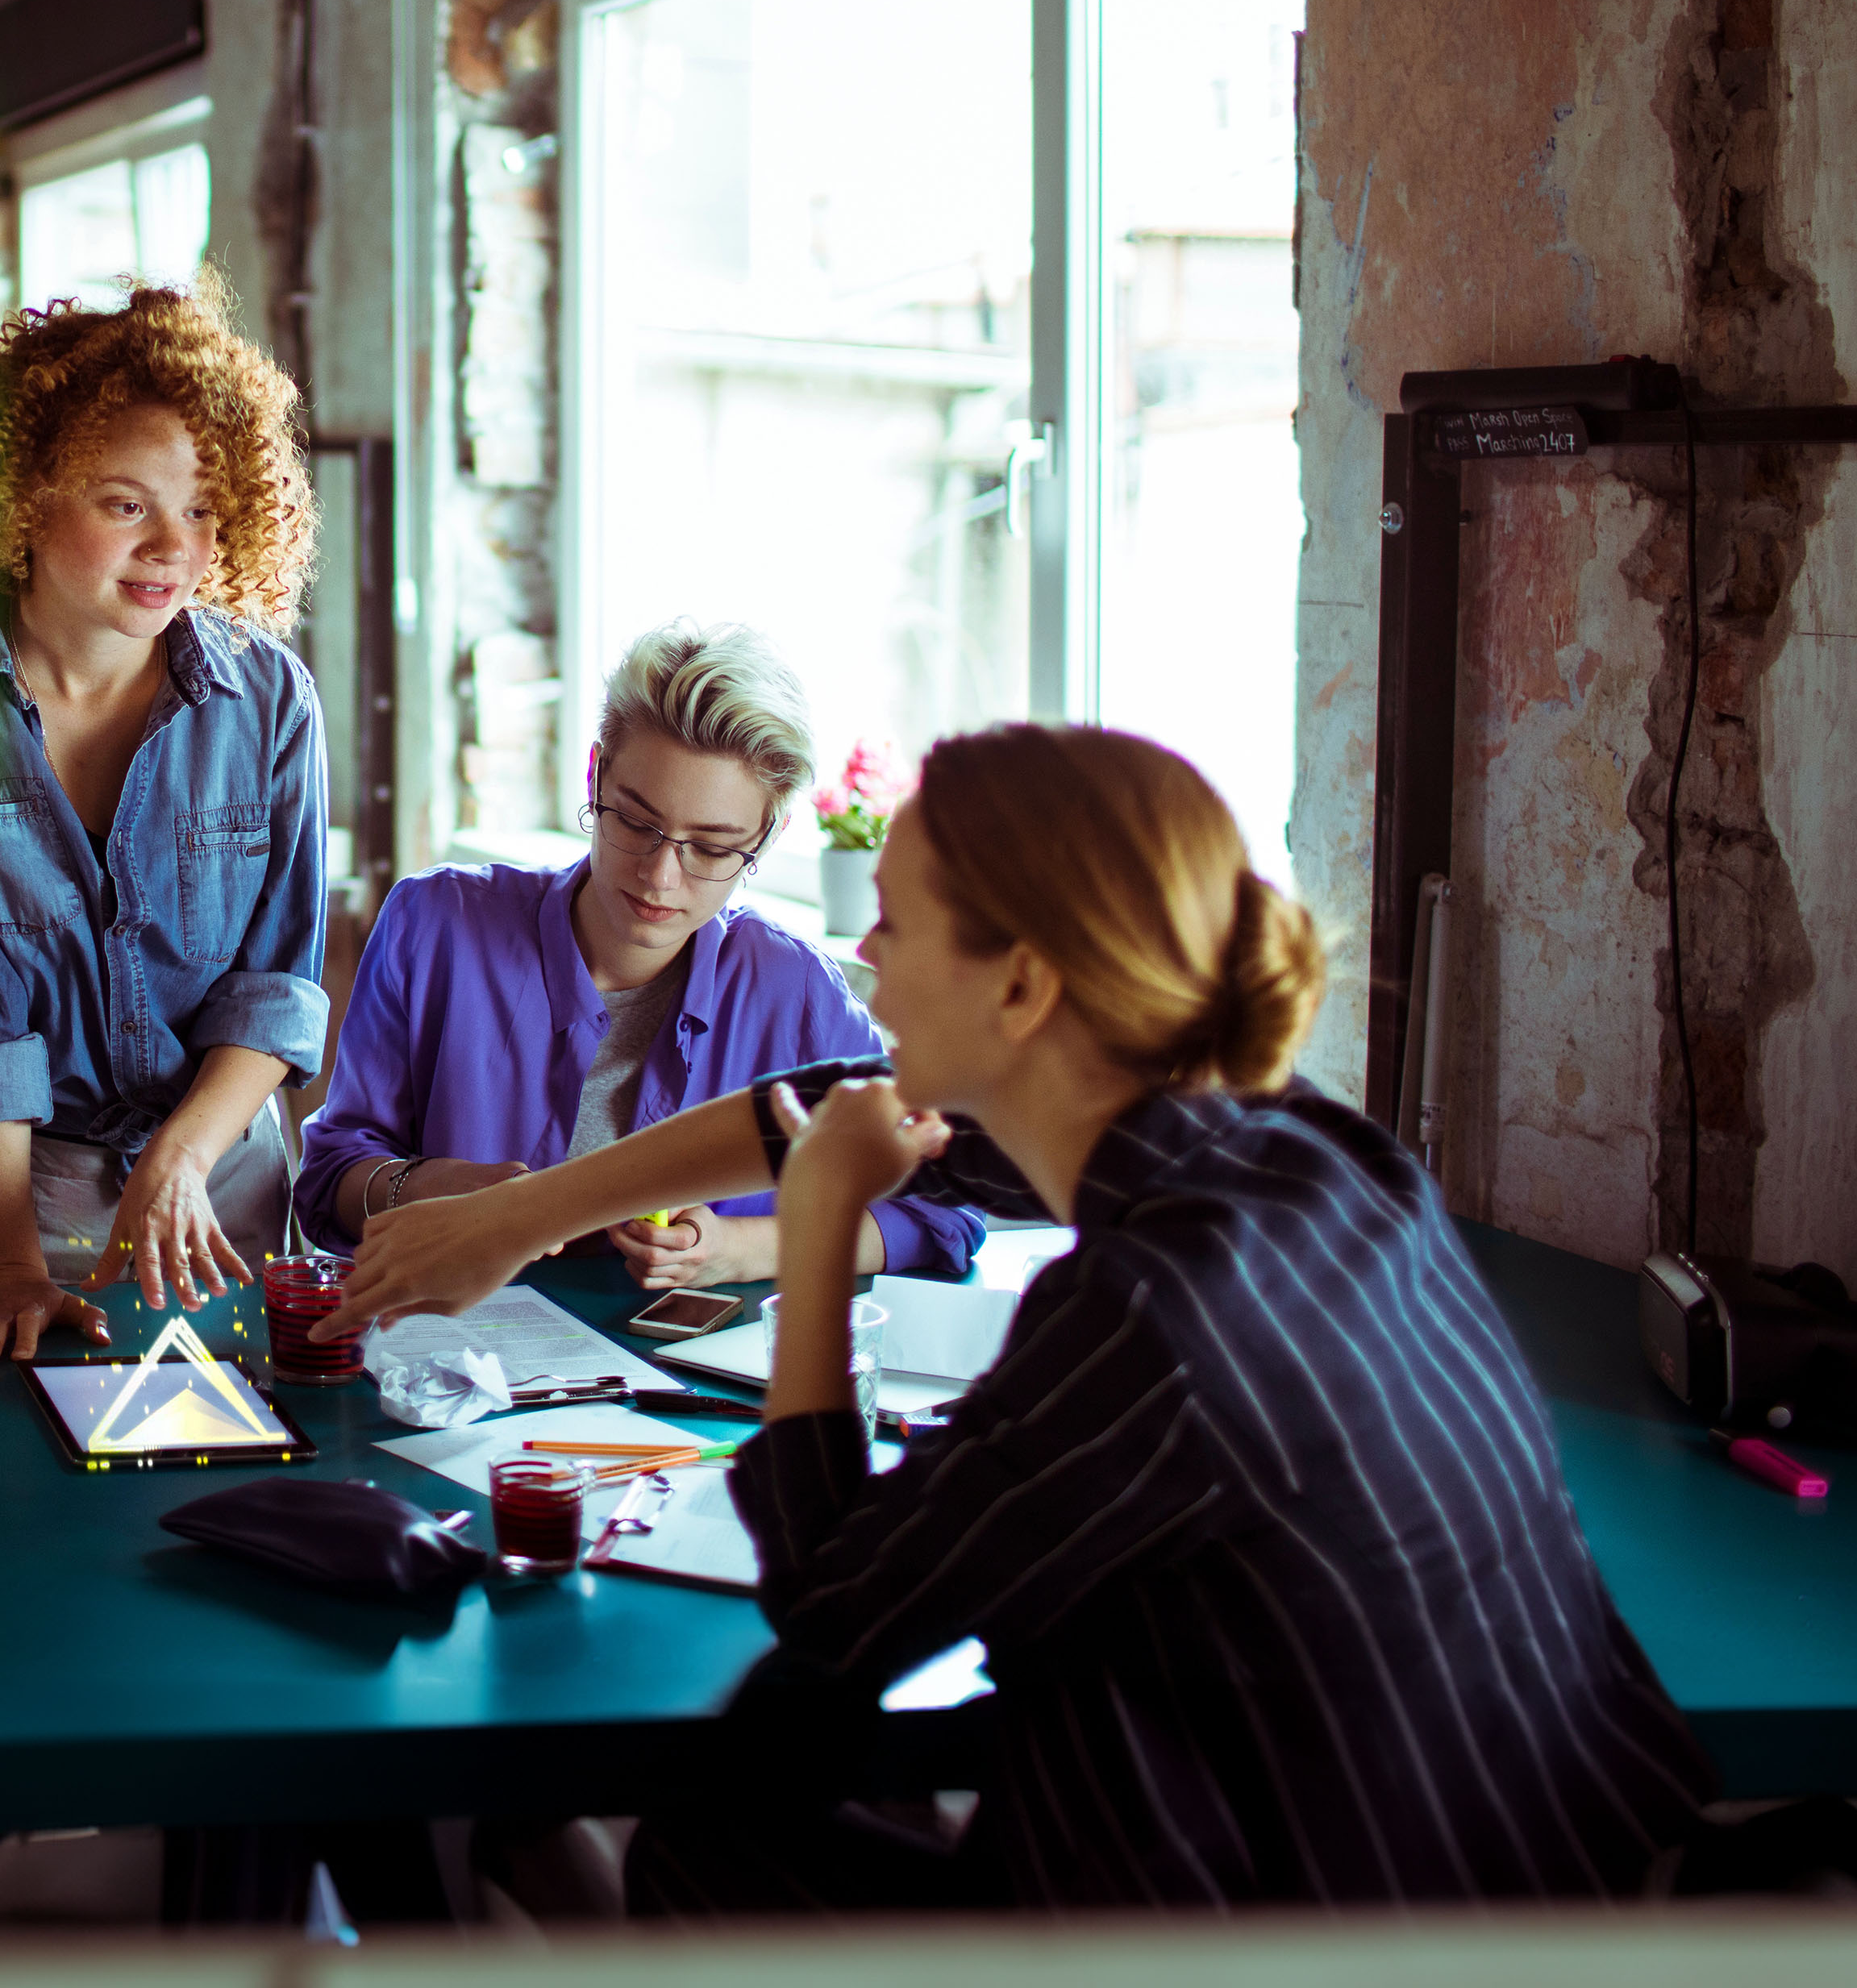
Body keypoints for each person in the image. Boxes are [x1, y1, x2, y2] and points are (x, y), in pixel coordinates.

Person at [321, 724, 1711, 1907]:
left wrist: (810, 1244)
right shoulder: (1313, 1155)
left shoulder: (1154, 1311)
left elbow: (837, 1605)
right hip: (1571, 1863)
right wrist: (527, 1213)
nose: (860, 946)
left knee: (718, 1843)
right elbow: (810, 1104)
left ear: (1027, 987)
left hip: (1322, 1931)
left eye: (902, 923)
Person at [0, 279, 326, 1362]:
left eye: (205, 509)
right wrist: (10, 1256)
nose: (175, 547)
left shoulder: (273, 700)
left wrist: (181, 1161)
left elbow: (275, 984)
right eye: (126, 504)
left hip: (214, 1185)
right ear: (21, 494)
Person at [294, 622, 980, 1285]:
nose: (660, 876)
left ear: (766, 837)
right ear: (596, 777)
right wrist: (418, 1187)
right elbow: (327, 1183)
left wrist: (743, 1249)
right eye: (636, 821)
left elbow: (947, 1207)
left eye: (712, 848)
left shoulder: (793, 990)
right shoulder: (436, 923)